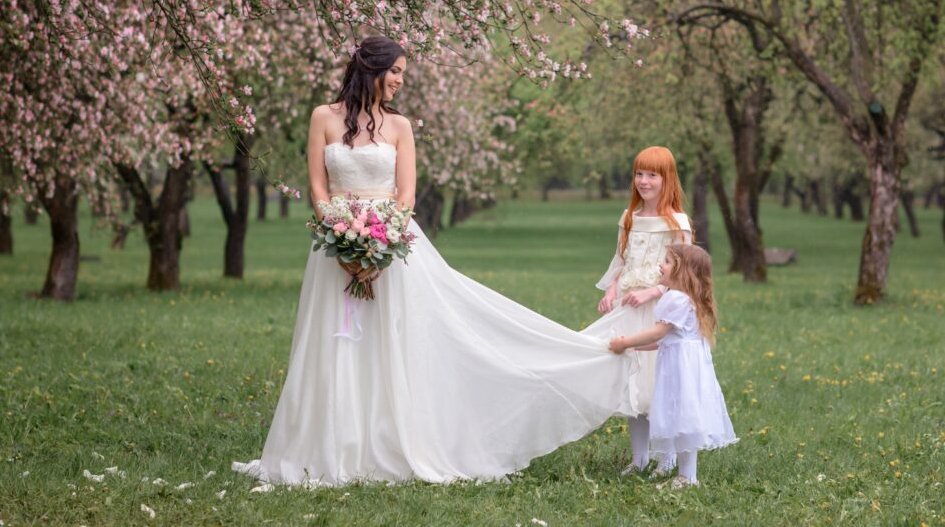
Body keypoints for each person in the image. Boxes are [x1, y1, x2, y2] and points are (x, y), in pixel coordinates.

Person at [232, 36, 638, 486]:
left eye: (404, 73)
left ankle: (394, 440)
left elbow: (405, 195)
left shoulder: (399, 126)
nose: (401, 81)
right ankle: (332, 445)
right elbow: (318, 188)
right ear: (372, 68)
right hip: (334, 248)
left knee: (395, 341)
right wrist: (344, 242)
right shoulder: (322, 117)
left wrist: (380, 246)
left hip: (394, 245)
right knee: (336, 342)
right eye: (397, 71)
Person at [581, 147, 692, 477]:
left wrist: (653, 291)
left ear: (666, 179)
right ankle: (639, 457)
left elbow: (684, 273)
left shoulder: (677, 222)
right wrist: (613, 290)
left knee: (659, 384)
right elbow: (621, 261)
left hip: (659, 310)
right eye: (639, 174)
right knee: (633, 385)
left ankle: (666, 457)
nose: (644, 181)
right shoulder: (629, 217)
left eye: (652, 175)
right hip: (629, 307)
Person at [609, 244, 737, 488]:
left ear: (683, 271)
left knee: (683, 419)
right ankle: (686, 474)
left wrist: (626, 341)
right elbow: (665, 341)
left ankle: (688, 477)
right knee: (684, 420)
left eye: (667, 262)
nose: (660, 265)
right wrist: (634, 348)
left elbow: (658, 332)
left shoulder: (676, 299)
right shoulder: (687, 299)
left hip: (680, 372)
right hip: (686, 369)